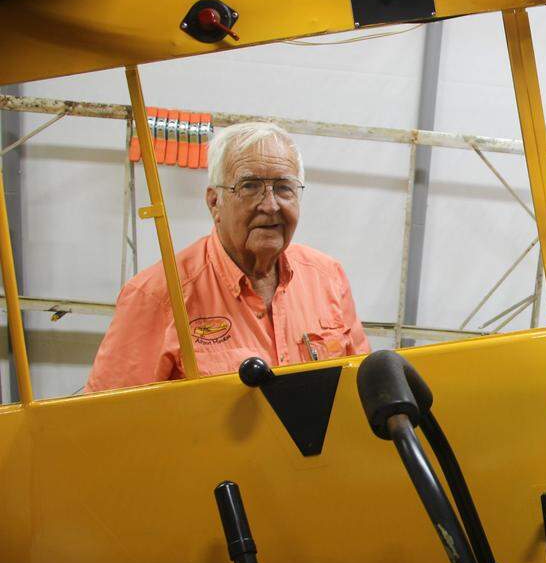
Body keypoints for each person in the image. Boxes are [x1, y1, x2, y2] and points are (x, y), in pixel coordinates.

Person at [85, 122, 369, 392]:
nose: (270, 205)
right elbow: (106, 426)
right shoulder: (157, 296)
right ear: (214, 202)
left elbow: (363, 388)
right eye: (249, 186)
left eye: (284, 187)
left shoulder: (328, 277)